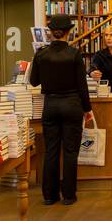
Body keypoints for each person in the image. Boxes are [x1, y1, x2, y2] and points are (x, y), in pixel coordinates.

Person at [28, 14, 91, 205]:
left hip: (51, 105)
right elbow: (82, 86)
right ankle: (69, 195)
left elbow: (33, 81)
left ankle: (49, 196)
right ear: (69, 32)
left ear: (51, 33)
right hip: (72, 104)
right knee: (71, 152)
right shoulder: (74, 54)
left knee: (51, 151)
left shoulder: (41, 54)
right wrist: (87, 109)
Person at [89, 22, 112, 92]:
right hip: (107, 94)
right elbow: (92, 68)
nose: (108, 38)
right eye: (106, 35)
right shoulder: (100, 55)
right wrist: (92, 73)